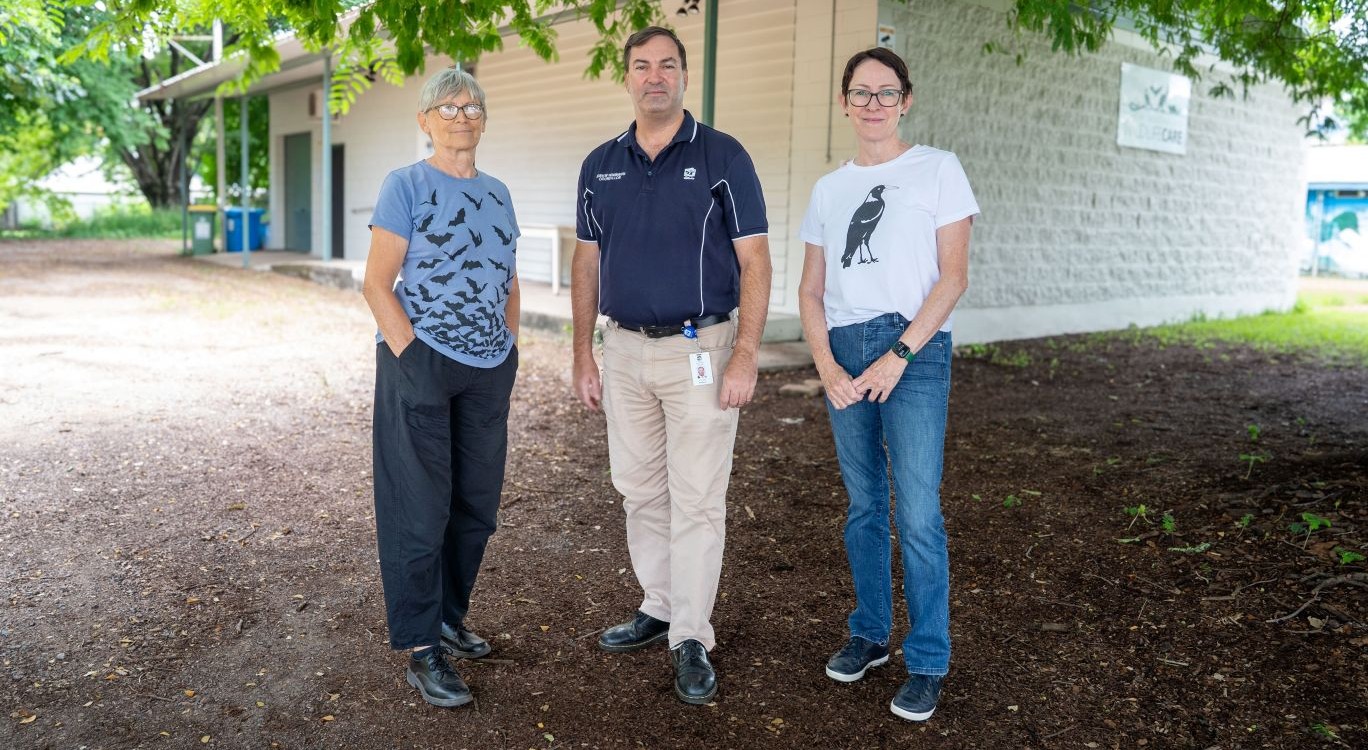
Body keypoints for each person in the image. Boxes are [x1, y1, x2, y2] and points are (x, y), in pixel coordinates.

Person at [570, 26, 772, 705]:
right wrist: (582, 354)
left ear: (685, 75)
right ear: (626, 77)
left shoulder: (723, 156)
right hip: (623, 351)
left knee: (696, 498)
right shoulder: (600, 164)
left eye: (667, 65)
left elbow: (755, 261)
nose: (654, 76)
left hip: (702, 351)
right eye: (641, 66)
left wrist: (745, 353)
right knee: (639, 489)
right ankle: (658, 604)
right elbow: (587, 260)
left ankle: (691, 634)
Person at [797, 47, 978, 722]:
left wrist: (900, 354)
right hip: (844, 349)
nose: (873, 103)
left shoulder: (937, 170)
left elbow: (952, 277)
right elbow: (812, 288)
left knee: (919, 513)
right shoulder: (828, 189)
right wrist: (827, 366)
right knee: (864, 505)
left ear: (906, 100)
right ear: (843, 103)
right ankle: (870, 633)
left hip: (916, 348)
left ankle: (928, 658)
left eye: (886, 92)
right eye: (861, 93)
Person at [361, 67, 520, 708]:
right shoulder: (406, 184)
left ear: (484, 118)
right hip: (421, 362)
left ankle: (451, 618)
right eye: (447, 107)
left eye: (471, 105)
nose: (461, 115)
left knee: (475, 507)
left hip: (488, 367)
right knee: (418, 511)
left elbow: (509, 276)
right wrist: (413, 354)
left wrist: (511, 348)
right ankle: (422, 647)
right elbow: (377, 283)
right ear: (425, 121)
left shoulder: (500, 192)